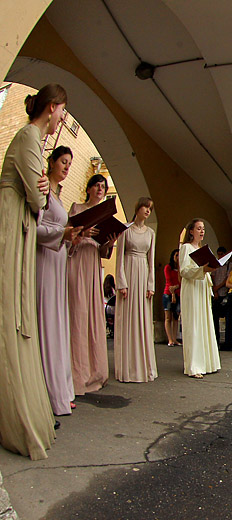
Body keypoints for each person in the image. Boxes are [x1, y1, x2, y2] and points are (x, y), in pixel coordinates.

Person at [0, 83, 67, 459]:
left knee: (17, 310)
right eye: (62, 111)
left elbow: (39, 194)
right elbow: (36, 197)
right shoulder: (28, 135)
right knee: (11, 307)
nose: (62, 118)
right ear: (52, 106)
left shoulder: (34, 141)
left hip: (22, 221)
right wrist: (40, 189)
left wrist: (40, 189)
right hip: (13, 222)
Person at [37, 146, 81, 417]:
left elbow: (58, 232)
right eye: (63, 162)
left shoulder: (59, 197)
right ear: (51, 162)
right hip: (44, 261)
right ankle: (48, 392)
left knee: (58, 323)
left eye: (69, 164)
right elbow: (34, 227)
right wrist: (61, 233)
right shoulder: (43, 192)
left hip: (59, 261)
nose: (66, 167)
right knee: (47, 321)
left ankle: (61, 390)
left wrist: (71, 236)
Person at [68, 174, 116, 395]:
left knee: (91, 316)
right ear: (88, 188)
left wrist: (110, 242)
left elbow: (104, 253)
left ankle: (95, 370)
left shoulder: (105, 216)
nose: (100, 189)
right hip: (77, 264)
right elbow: (67, 238)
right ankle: (75, 374)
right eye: (96, 185)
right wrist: (82, 233)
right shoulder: (77, 208)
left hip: (93, 266)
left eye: (103, 187)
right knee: (77, 314)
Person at [114, 197, 157, 383]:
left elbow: (151, 261)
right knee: (128, 319)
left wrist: (150, 285)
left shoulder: (151, 233)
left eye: (150, 208)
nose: (147, 211)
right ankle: (128, 367)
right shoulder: (125, 229)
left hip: (143, 273)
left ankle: (144, 366)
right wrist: (121, 283)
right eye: (145, 207)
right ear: (138, 207)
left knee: (143, 320)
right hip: (129, 273)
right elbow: (119, 257)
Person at [179, 218, 221, 378]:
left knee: (204, 323)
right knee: (194, 325)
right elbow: (184, 271)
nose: (202, 231)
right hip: (192, 289)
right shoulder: (186, 248)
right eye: (198, 228)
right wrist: (202, 270)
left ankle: (207, 363)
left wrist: (209, 268)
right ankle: (194, 366)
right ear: (191, 231)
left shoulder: (202, 248)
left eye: (203, 228)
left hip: (202, 287)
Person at [210, 246, 231, 346]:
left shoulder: (229, 265)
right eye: (219, 254)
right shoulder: (216, 264)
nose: (220, 256)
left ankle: (227, 341)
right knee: (214, 318)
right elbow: (212, 276)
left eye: (222, 254)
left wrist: (217, 287)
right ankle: (215, 340)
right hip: (216, 294)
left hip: (224, 293)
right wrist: (215, 290)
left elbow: (227, 278)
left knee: (227, 318)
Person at [163, 249, 181, 347]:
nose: (178, 258)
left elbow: (182, 282)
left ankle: (175, 338)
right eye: (176, 255)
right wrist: (173, 293)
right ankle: (170, 339)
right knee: (168, 317)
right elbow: (169, 281)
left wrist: (177, 287)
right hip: (168, 294)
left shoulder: (180, 269)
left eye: (179, 256)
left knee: (176, 317)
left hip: (178, 293)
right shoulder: (168, 267)